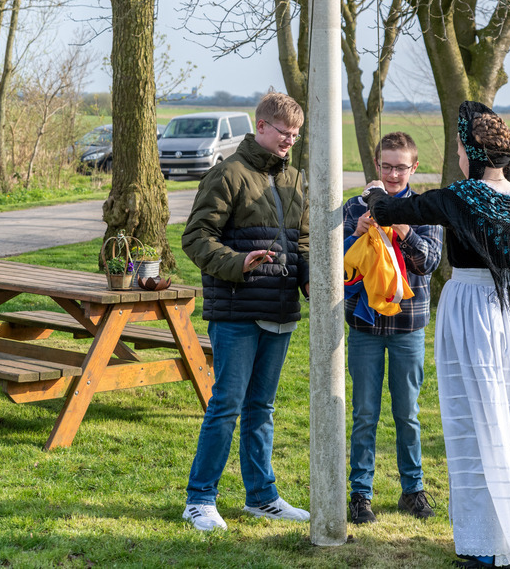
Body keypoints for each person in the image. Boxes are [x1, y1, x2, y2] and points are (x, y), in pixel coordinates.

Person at [363, 102, 510, 568]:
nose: (457, 156)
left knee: (478, 423)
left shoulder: (460, 198)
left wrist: (376, 191)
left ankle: (487, 546)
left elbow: (392, 209)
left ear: (472, 154)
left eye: (459, 148)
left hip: (475, 314)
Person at [180, 90, 311, 531]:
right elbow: (196, 238)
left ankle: (262, 496)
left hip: (281, 310)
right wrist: (238, 263)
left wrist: (310, 278)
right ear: (261, 127)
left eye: (296, 134)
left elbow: (304, 242)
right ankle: (199, 499)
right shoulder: (227, 174)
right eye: (283, 132)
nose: (290, 140)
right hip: (236, 312)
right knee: (227, 406)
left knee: (263, 408)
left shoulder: (296, 180)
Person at [343, 132, 443, 525]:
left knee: (408, 413)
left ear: (414, 167)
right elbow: (336, 265)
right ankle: (360, 494)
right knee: (364, 412)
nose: (393, 174)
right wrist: (356, 231)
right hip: (364, 325)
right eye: (386, 166)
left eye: (401, 167)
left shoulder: (425, 209)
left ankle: (412, 490)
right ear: (376, 165)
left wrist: (402, 227)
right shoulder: (354, 207)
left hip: (408, 325)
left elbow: (430, 262)